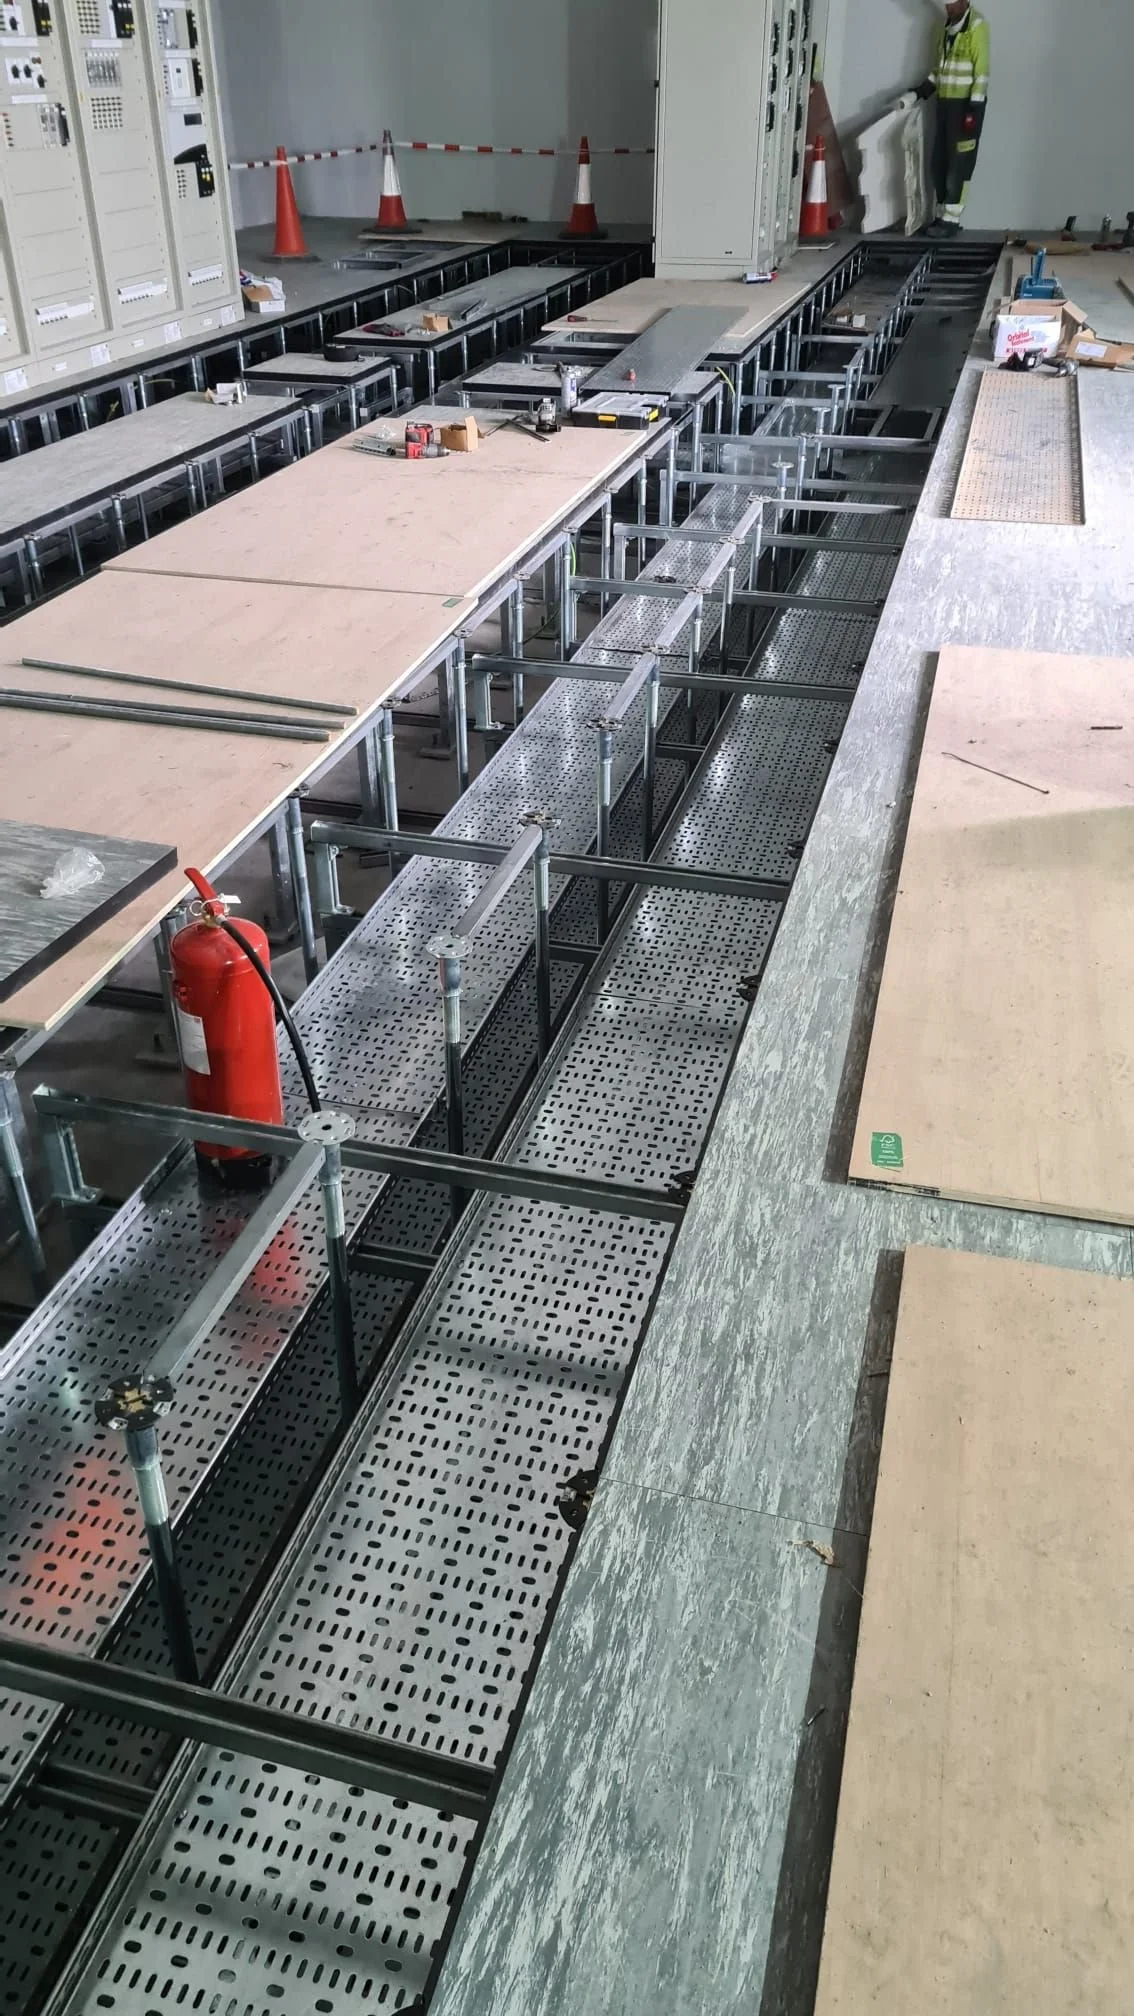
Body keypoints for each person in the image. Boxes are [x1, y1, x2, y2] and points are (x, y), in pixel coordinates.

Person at [915, 1, 991, 236]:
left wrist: (973, 110)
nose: (948, 9)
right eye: (946, 5)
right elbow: (940, 69)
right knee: (940, 162)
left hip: (966, 107)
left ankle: (951, 219)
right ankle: (941, 216)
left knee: (959, 165)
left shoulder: (977, 26)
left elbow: (982, 73)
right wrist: (921, 91)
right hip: (945, 105)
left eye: (952, 5)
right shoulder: (944, 28)